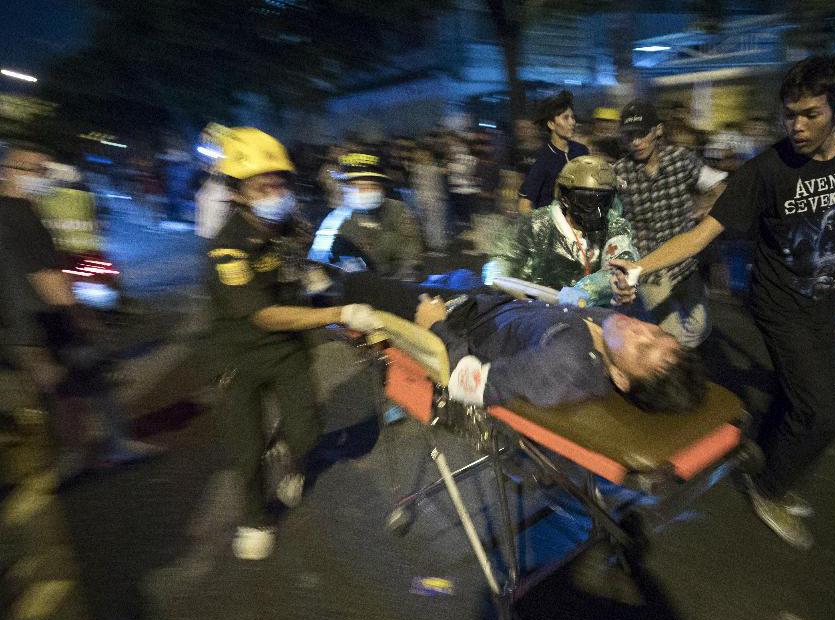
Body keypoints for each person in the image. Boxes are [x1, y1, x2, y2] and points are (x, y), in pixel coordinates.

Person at [611, 55, 835, 549]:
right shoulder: (766, 171)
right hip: (779, 305)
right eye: (789, 115)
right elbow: (699, 237)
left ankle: (760, 448)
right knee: (823, 414)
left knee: (793, 392)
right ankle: (770, 489)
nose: (797, 127)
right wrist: (637, 267)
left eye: (811, 115)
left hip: (826, 299)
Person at [205, 127, 381, 560]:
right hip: (239, 357)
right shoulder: (226, 247)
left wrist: (325, 287)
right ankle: (254, 518)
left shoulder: (290, 228)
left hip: (288, 352)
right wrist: (336, 315)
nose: (274, 192)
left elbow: (306, 275)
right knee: (247, 452)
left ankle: (290, 455)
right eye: (261, 185)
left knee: (306, 433)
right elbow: (263, 315)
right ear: (238, 192)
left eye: (279, 182)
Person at [0, 142, 160, 479]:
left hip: (19, 324)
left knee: (60, 391)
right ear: (10, 172)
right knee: (94, 378)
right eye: (37, 170)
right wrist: (80, 315)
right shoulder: (23, 215)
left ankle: (72, 459)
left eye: (46, 170)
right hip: (49, 317)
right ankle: (116, 446)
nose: (44, 177)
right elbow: (46, 276)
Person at [400, 290, 706, 411]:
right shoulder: (612, 328)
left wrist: (435, 325)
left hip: (457, 320)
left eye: (642, 349)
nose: (641, 329)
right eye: (656, 333)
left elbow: (466, 383)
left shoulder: (565, 362)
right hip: (487, 299)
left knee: (363, 286)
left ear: (621, 378)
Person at [612, 100, 727, 348]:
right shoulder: (619, 172)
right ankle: (672, 371)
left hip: (683, 261)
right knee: (671, 331)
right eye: (629, 136)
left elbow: (718, 186)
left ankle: (670, 360)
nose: (636, 142)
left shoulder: (681, 159)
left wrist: (708, 207)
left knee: (700, 325)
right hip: (648, 266)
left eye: (642, 134)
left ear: (658, 130)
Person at [485, 155, 638, 306]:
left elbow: (621, 263)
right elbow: (503, 259)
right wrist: (497, 280)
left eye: (604, 202)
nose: (597, 211)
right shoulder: (536, 224)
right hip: (536, 313)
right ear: (565, 198)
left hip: (594, 318)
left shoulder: (614, 226)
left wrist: (587, 291)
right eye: (587, 201)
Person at [308, 148, 422, 277]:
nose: (366, 192)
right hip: (351, 288)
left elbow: (411, 254)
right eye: (358, 187)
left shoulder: (397, 210)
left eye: (372, 186)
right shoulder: (333, 220)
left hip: (392, 284)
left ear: (381, 189)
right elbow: (318, 261)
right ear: (347, 189)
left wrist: (396, 282)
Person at [517, 91, 589, 213]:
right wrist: (543, 226)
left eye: (572, 117)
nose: (572, 122)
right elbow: (524, 205)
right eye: (565, 118)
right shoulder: (543, 159)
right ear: (551, 124)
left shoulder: (581, 150)